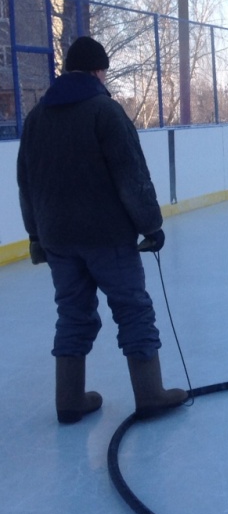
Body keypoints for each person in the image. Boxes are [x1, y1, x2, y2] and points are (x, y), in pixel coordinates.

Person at [17, 36, 187, 423]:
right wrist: (151, 225)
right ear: (97, 70)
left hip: (58, 240)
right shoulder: (104, 112)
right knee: (133, 309)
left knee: (73, 314)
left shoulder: (36, 118)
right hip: (106, 236)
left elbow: (26, 183)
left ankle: (69, 400)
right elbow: (131, 175)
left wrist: (36, 237)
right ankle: (150, 394)